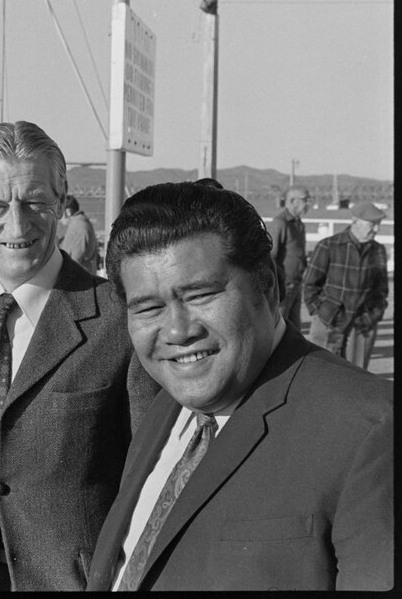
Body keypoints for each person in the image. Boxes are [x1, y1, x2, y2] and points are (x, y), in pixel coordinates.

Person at [86, 181, 393, 591]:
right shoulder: (167, 407)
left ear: (267, 289)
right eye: (149, 308)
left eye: (200, 295)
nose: (177, 330)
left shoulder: (371, 429)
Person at [0, 121, 158, 591]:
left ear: (61, 201)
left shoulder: (119, 319)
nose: (16, 224)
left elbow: (148, 481)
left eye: (35, 201)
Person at [302, 201, 389, 370]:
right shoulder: (328, 246)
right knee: (321, 374)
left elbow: (382, 290)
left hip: (362, 325)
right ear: (355, 222)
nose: (377, 230)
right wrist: (320, 313)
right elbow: (310, 285)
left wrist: (372, 316)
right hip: (329, 322)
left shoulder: (378, 250)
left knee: (356, 379)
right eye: (372, 224)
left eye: (379, 225)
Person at [268, 185, 311, 328]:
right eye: (305, 200)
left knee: (294, 330)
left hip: (297, 283)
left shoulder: (299, 224)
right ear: (292, 201)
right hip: (284, 286)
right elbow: (271, 255)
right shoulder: (280, 223)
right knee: (277, 326)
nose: (308, 203)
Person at [59, 194, 99, 274]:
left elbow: (76, 260)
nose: (59, 218)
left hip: (78, 281)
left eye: (60, 212)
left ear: (68, 212)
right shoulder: (79, 224)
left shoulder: (80, 227)